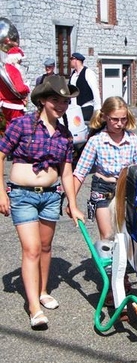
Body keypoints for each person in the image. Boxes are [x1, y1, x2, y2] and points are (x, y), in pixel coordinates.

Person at [0, 75, 85, 329]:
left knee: (46, 247)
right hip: (22, 195)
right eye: (55, 100)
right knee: (32, 249)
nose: (61, 105)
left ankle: (42, 291)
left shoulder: (65, 135)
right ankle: (33, 307)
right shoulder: (22, 125)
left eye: (64, 101)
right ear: (43, 100)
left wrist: (73, 203)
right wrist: (1, 192)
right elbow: (1, 155)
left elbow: (67, 172)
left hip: (50, 196)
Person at [72, 96, 137, 305]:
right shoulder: (96, 141)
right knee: (108, 236)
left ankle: (121, 278)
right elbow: (79, 172)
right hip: (102, 189)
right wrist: (71, 201)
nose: (119, 124)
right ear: (104, 117)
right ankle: (118, 284)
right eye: (115, 119)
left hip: (125, 190)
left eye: (123, 119)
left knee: (125, 237)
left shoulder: (132, 140)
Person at [0, 47, 30, 129]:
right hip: (14, 105)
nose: (21, 62)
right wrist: (27, 87)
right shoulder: (14, 70)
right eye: (20, 60)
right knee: (17, 129)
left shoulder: (4, 68)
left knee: (9, 127)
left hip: (5, 104)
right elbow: (20, 89)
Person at [69, 52, 101, 122]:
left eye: (71, 59)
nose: (70, 61)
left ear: (76, 60)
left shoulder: (88, 73)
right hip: (75, 109)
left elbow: (95, 90)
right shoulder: (73, 75)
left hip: (86, 107)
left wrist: (97, 108)